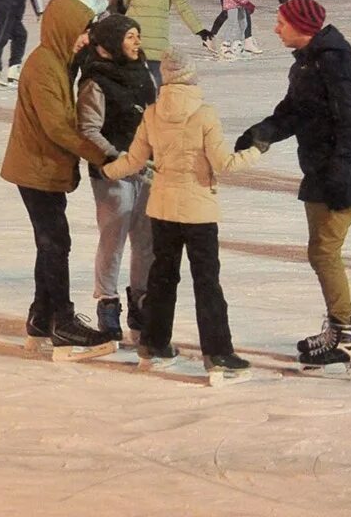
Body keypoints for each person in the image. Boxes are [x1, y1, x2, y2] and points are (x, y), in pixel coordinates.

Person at [234, 0, 351, 371]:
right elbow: (294, 112)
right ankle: (339, 330)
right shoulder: (310, 64)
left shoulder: (335, 66)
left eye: (282, 23)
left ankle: (345, 338)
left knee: (325, 254)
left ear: (302, 27)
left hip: (338, 177)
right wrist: (262, 132)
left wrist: (342, 176)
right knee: (321, 253)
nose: (277, 29)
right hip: (323, 173)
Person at [104, 45, 258, 376]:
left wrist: (106, 170)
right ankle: (217, 353)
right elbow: (224, 163)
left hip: (162, 209)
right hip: (199, 211)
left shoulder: (152, 113)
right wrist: (256, 151)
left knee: (162, 277)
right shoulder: (204, 114)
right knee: (207, 282)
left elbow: (132, 161)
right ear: (191, 77)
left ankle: (154, 344)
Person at [0, 0, 114, 353]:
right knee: (54, 243)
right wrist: (103, 155)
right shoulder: (44, 66)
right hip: (35, 167)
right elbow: (59, 128)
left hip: (42, 166)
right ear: (65, 28)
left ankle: (41, 315)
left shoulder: (61, 62)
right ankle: (62, 322)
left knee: (51, 243)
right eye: (82, 32)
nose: (86, 39)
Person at [75, 14, 157, 344]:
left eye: (138, 35)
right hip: (113, 173)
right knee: (114, 236)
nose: (137, 42)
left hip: (149, 169)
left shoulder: (144, 72)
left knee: (146, 239)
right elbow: (88, 129)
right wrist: (117, 158)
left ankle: (142, 304)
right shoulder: (95, 81)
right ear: (112, 43)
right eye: (130, 37)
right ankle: (107, 302)